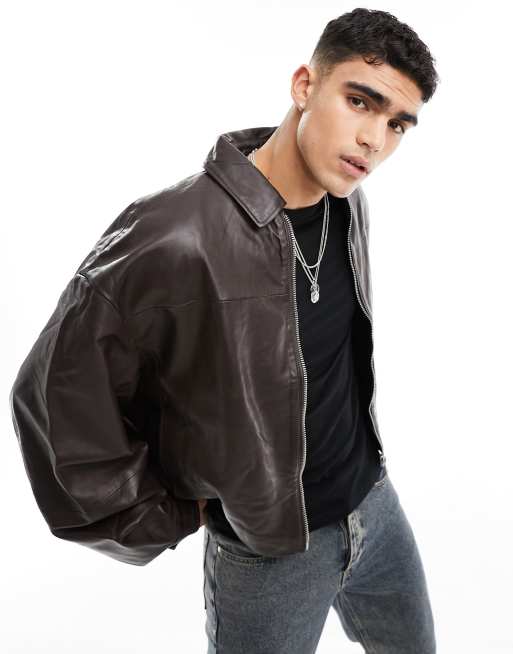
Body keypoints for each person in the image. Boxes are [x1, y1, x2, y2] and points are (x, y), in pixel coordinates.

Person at [9, 7, 440, 653]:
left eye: (397, 123)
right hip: (271, 553)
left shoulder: (346, 203)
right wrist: (162, 513)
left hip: (374, 506)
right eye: (360, 102)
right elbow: (52, 395)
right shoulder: (173, 234)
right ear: (304, 85)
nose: (374, 139)